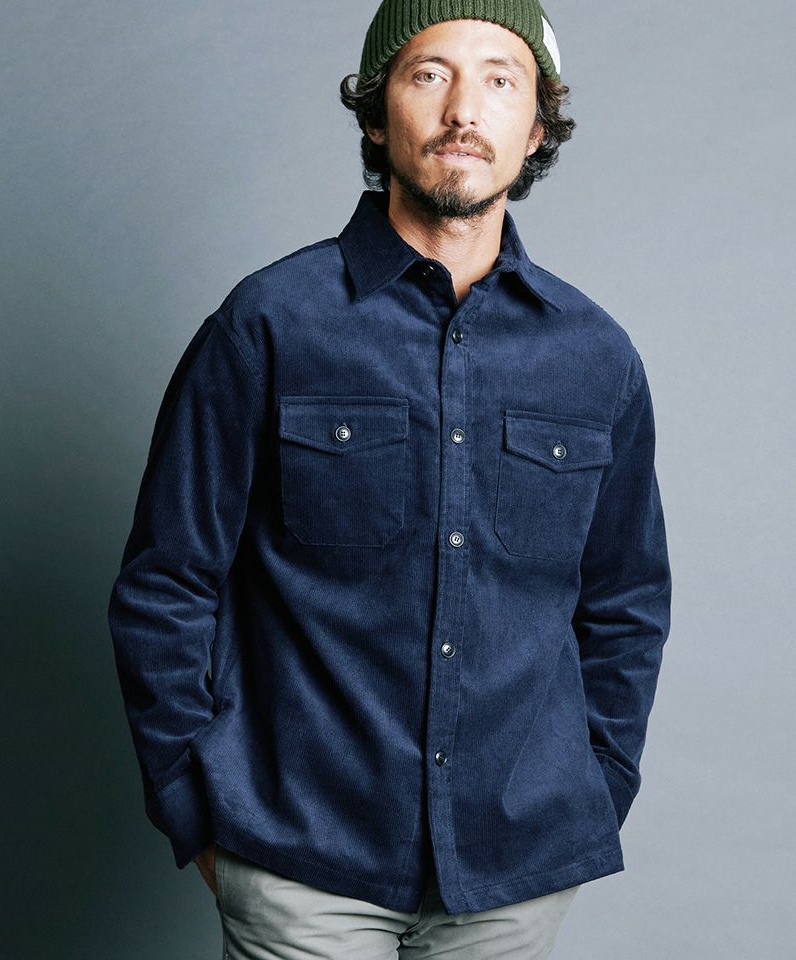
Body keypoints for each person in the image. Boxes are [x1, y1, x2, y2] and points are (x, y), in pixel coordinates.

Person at [107, 1, 672, 956]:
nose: (464, 109)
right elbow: (168, 582)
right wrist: (191, 805)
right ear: (377, 115)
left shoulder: (596, 357)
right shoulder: (267, 325)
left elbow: (625, 601)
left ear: (536, 130)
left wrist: (599, 784)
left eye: (501, 80)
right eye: (429, 74)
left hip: (514, 871)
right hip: (298, 858)